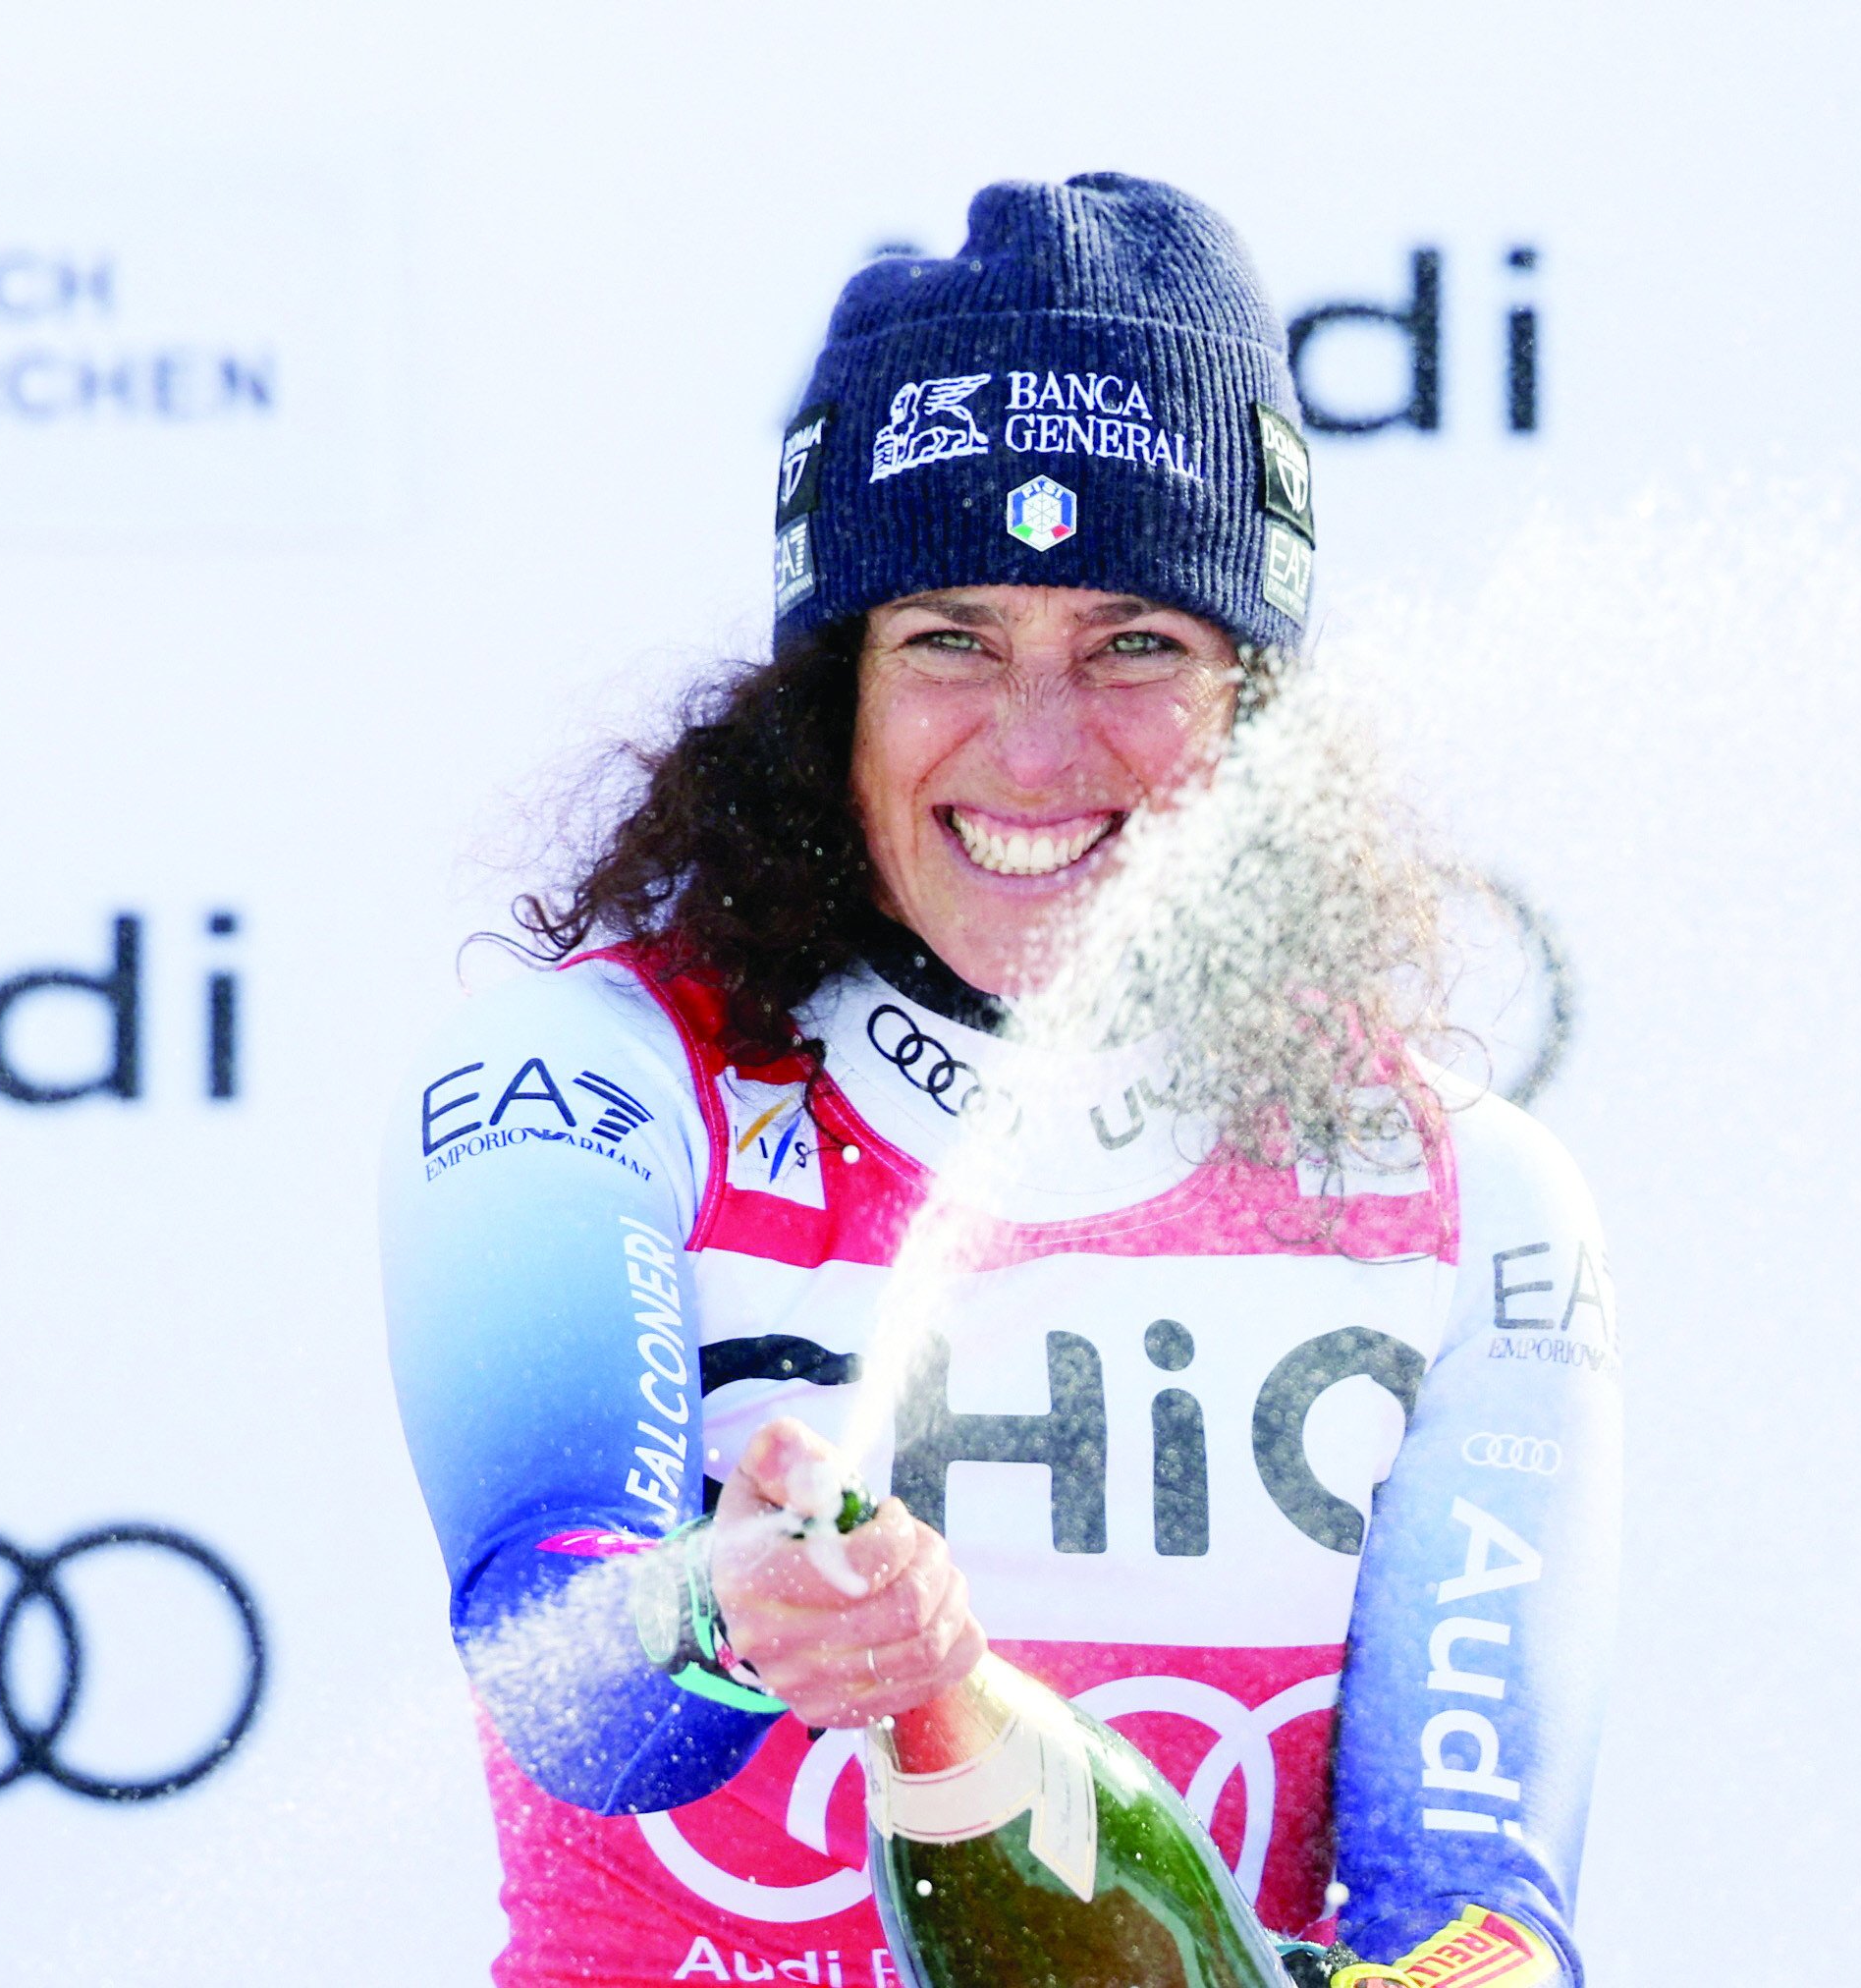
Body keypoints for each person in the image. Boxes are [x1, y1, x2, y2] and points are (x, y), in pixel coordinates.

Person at [380, 173, 1621, 1988]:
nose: (1037, 748)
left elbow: (1488, 1914)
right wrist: (727, 1616)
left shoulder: (1468, 1201)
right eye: (949, 637)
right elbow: (566, 1682)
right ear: (836, 698)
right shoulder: (598, 1080)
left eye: (1137, 643)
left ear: (1252, 707)